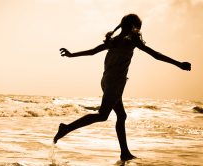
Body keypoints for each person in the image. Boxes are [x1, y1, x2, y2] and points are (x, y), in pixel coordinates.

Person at [53, 14, 191, 161]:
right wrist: (178, 64)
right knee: (102, 115)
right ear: (134, 27)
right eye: (137, 28)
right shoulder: (131, 41)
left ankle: (124, 152)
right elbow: (155, 54)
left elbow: (92, 51)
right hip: (115, 83)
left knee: (121, 116)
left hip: (107, 81)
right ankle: (66, 128)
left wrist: (71, 54)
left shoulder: (113, 41)